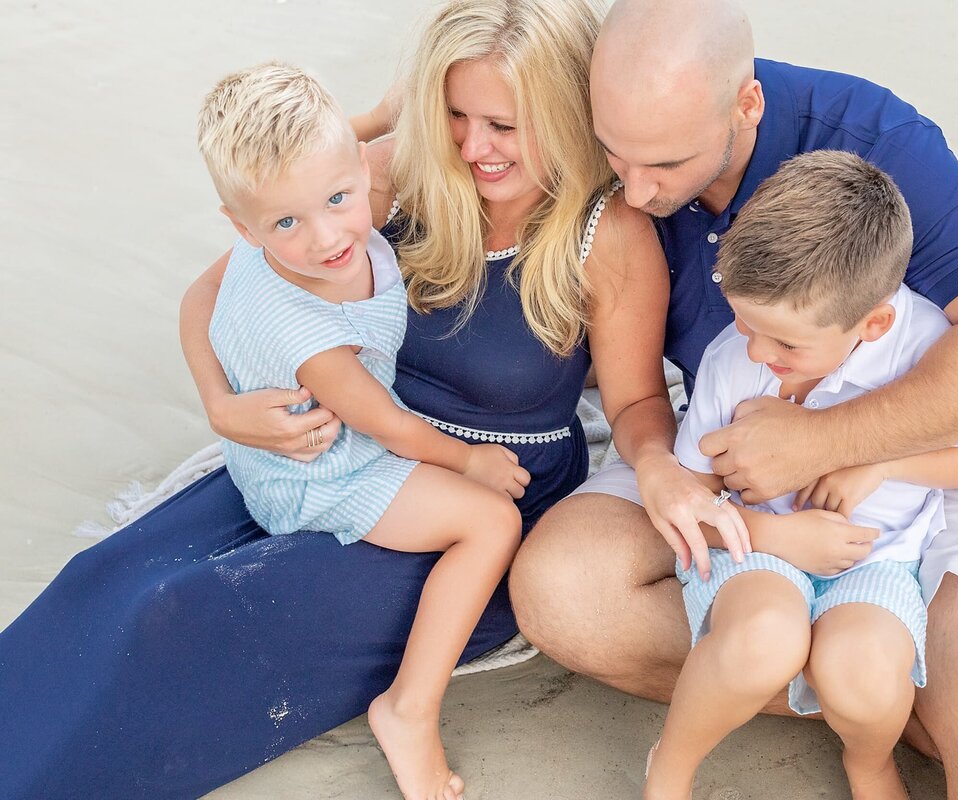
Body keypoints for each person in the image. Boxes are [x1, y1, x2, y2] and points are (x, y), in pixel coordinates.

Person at [0, 1, 674, 797]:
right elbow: (208, 294)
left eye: (504, 124)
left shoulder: (612, 237)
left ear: (562, 113)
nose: (473, 146)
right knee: (115, 576)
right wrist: (221, 408)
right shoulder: (390, 177)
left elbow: (632, 404)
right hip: (338, 444)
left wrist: (661, 467)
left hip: (489, 489)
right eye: (454, 114)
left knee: (185, 619)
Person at [510, 1, 958, 797]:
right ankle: (870, 690)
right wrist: (658, 465)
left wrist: (829, 443)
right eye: (614, 153)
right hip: (732, 436)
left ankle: (893, 685)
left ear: (745, 104)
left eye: (666, 163)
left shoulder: (870, 142)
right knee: (563, 590)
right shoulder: (625, 155)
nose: (634, 191)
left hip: (923, 445)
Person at [198, 61, 536, 800]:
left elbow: (314, 166)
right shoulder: (304, 327)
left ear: (359, 164)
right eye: (287, 223)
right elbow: (387, 427)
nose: (325, 237)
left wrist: (383, 115)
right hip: (321, 467)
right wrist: (469, 461)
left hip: (325, 424)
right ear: (243, 228)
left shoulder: (302, 197)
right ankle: (409, 708)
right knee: (490, 524)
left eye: (339, 199)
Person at [644, 151, 958, 800]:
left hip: (880, 559)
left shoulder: (925, 345)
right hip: (761, 547)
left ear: (874, 323)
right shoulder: (736, 360)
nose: (756, 351)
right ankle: (670, 766)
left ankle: (868, 761)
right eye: (745, 323)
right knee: (762, 640)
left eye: (785, 344)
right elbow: (694, 501)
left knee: (863, 676)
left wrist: (880, 461)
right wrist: (779, 538)